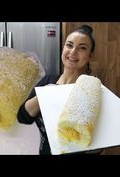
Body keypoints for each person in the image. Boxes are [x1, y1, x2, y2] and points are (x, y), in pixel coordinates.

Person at [17, 24, 101, 155]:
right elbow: (23, 117)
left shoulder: (93, 94)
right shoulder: (48, 80)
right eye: (69, 45)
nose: (73, 51)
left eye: (82, 48)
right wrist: (43, 95)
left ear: (90, 55)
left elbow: (97, 146)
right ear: (63, 49)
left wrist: (96, 147)